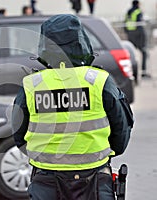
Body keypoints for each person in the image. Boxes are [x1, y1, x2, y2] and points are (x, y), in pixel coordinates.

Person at [12, 14, 134, 200]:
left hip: (46, 182)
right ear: (81, 41)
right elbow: (121, 129)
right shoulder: (98, 81)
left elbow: (19, 134)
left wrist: (47, 158)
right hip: (93, 181)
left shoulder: (32, 85)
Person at [125, 0, 150, 78]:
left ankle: (131, 72)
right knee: (144, 52)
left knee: (130, 53)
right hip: (138, 34)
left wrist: (128, 32)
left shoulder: (128, 12)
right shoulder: (138, 11)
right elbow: (140, 24)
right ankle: (143, 71)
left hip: (130, 34)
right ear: (138, 4)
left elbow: (125, 23)